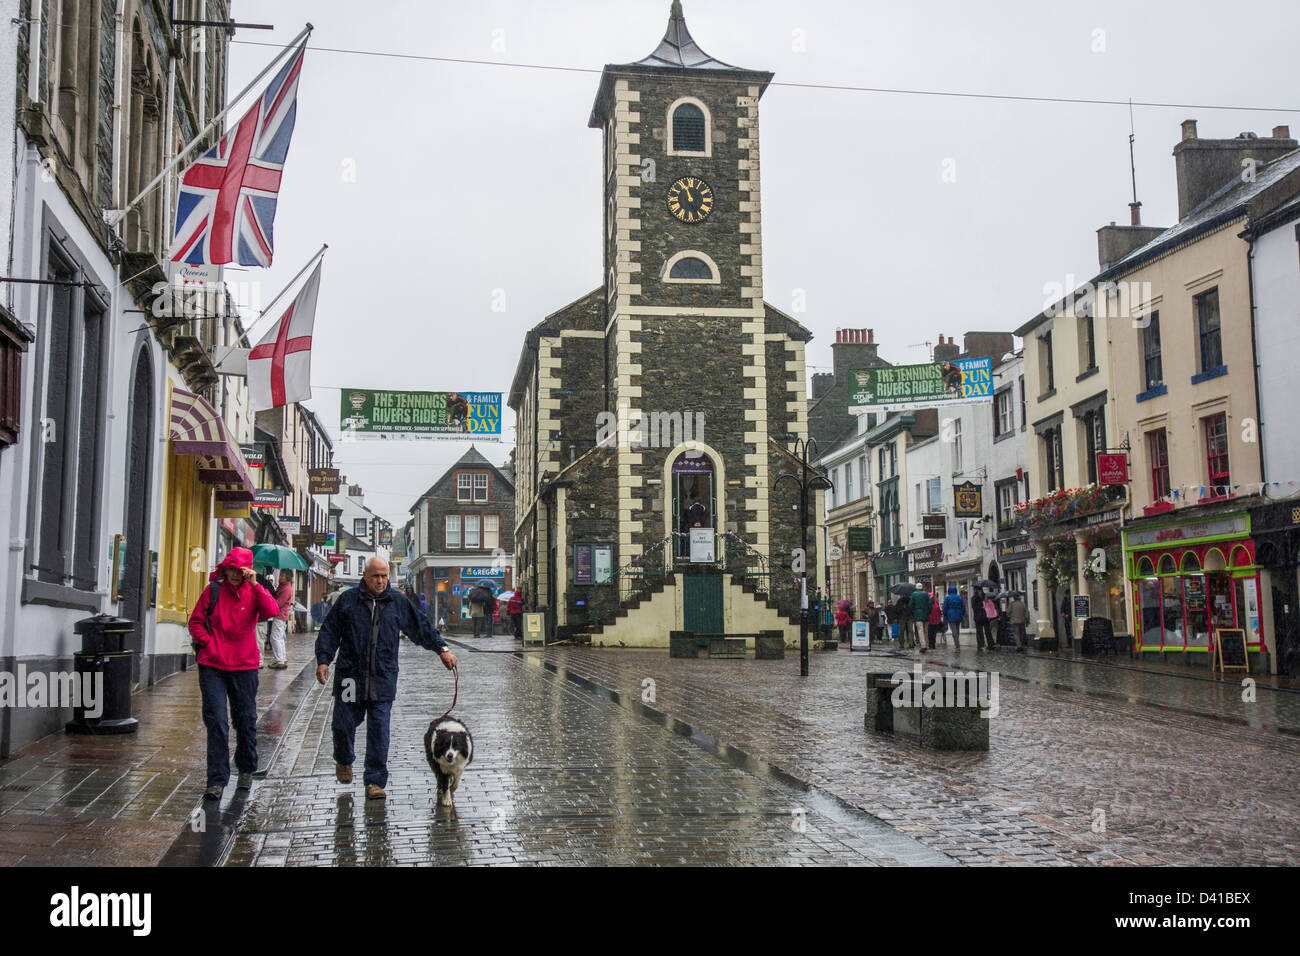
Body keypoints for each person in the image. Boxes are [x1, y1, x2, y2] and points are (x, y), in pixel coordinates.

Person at [315, 556, 457, 801]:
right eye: (375, 576)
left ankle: (374, 781)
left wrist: (442, 650)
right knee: (342, 725)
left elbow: (420, 627)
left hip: (383, 676)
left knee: (379, 730)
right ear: (365, 576)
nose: (380, 581)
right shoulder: (348, 601)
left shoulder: (397, 603)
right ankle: (344, 758)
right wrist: (324, 660)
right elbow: (330, 631)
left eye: (383, 576)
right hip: (350, 677)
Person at [188, 547, 280, 801]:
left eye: (240, 571)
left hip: (244, 665)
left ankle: (247, 768)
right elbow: (195, 621)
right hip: (213, 664)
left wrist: (256, 585)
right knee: (217, 721)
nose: (235, 575)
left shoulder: (253, 592)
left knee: (245, 720)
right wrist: (207, 642)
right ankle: (216, 780)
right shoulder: (213, 591)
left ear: (247, 571)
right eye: (231, 569)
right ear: (224, 568)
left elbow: (271, 611)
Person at [266, 570, 293, 669]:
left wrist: (269, 602)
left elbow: (279, 602)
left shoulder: (286, 588)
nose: (280, 577)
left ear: (288, 577)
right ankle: (282, 658)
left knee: (275, 638)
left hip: (280, 614)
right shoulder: (284, 586)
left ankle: (279, 660)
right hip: (281, 614)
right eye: (281, 575)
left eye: (283, 575)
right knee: (279, 637)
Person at [908, 587, 934, 652]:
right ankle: (927, 644)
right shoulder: (926, 594)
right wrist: (929, 612)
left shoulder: (914, 594)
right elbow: (930, 605)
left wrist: (914, 612)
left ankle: (923, 645)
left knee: (920, 630)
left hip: (918, 615)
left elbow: (910, 605)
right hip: (926, 615)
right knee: (926, 630)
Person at [943, 585, 966, 650]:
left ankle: (957, 646)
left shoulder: (947, 598)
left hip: (951, 615)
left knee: (954, 631)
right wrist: (961, 613)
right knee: (957, 630)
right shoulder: (959, 597)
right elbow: (963, 607)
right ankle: (957, 644)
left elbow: (945, 608)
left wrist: (945, 614)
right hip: (958, 615)